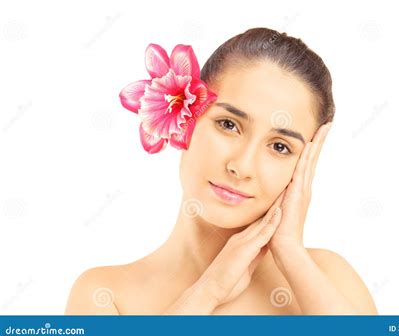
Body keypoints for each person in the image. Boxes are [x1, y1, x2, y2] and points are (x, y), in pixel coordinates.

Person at [65, 27, 378, 315]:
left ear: (304, 166)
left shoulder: (329, 280)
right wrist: (207, 292)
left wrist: (291, 253)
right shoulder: (105, 295)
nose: (241, 166)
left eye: (280, 146)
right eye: (229, 125)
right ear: (185, 119)